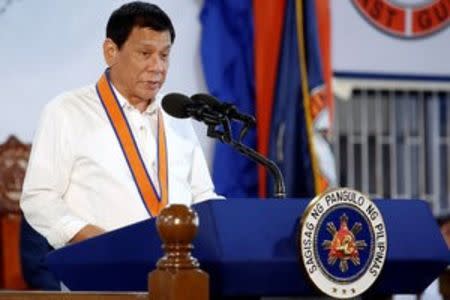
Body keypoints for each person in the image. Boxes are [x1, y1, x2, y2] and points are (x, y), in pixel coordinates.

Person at [20, 0, 219, 262]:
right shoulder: (66, 111)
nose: (158, 67)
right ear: (111, 51)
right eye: (145, 54)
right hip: (99, 271)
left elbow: (202, 196)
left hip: (176, 273)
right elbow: (39, 198)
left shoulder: (177, 115)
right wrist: (97, 241)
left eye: (164, 54)